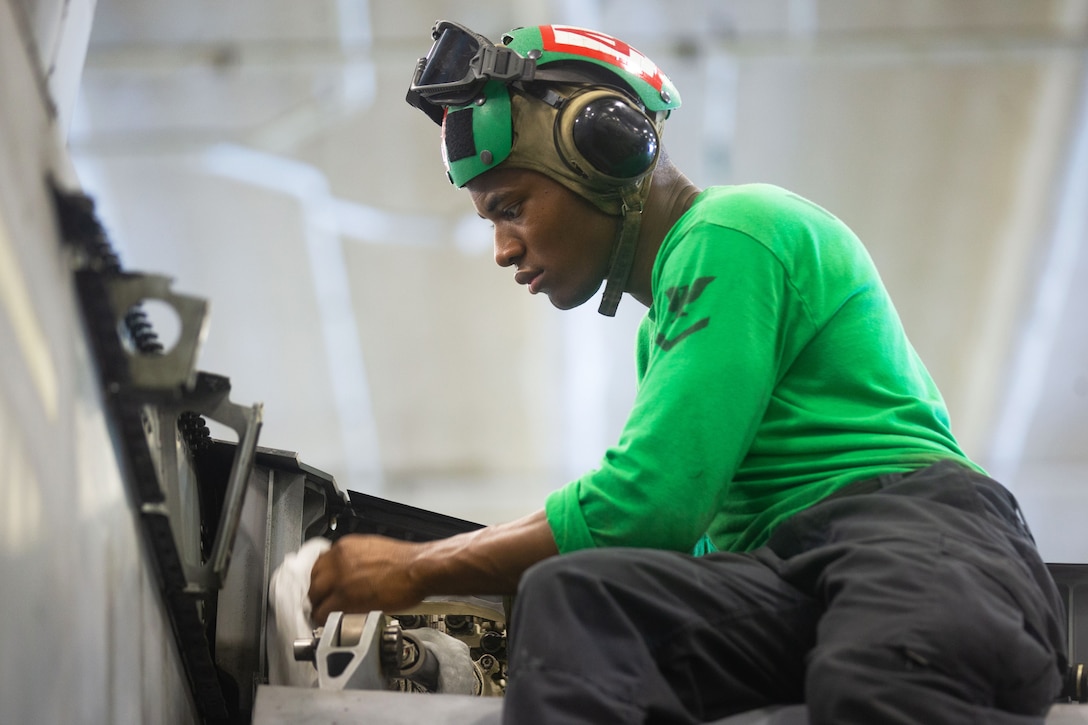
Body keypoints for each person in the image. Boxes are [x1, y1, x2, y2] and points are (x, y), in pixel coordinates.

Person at [307, 21, 1067, 724]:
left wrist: (417, 570)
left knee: (872, 683)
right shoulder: (663, 334)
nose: (504, 248)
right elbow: (663, 549)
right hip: (795, 579)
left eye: (511, 206)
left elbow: (646, 506)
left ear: (602, 147)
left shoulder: (736, 232)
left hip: (918, 542)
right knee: (576, 600)